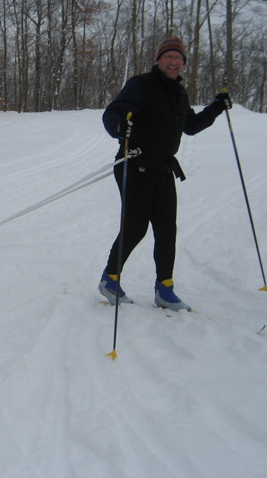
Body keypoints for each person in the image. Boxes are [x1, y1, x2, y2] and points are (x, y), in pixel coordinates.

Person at [98, 36, 231, 311]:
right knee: (136, 227)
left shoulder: (179, 93)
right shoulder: (142, 84)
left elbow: (191, 126)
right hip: (134, 165)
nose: (174, 62)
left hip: (162, 168)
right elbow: (114, 112)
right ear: (158, 60)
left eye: (178, 58)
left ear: (183, 63)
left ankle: (164, 289)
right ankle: (110, 279)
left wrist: (216, 107)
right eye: (168, 57)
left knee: (167, 230)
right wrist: (120, 128)